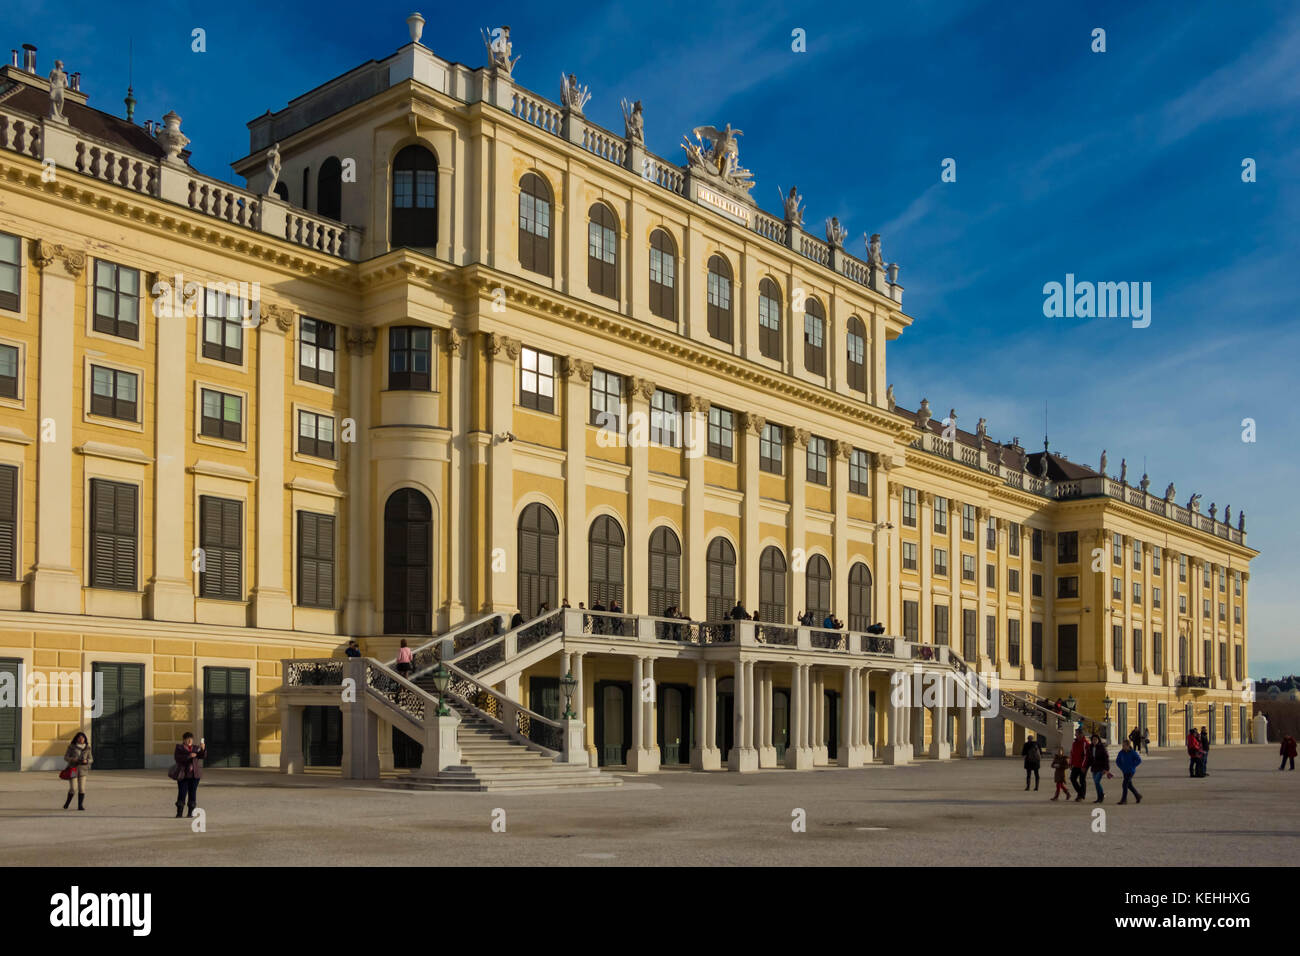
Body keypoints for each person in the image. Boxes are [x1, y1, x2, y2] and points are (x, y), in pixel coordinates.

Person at [172, 732, 207, 818]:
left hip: (194, 775)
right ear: (184, 740)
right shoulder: (179, 748)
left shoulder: (196, 748)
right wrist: (189, 756)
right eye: (187, 739)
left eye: (191, 739)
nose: (189, 740)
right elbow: (177, 758)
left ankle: (190, 812)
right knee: (182, 793)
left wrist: (203, 749)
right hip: (183, 775)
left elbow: (202, 756)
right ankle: (179, 813)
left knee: (192, 793)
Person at [61, 731, 92, 811]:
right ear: (76, 739)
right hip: (73, 769)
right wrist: (72, 759)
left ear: (85, 739)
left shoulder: (88, 748)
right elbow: (66, 757)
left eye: (83, 738)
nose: (81, 739)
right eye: (79, 738)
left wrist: (87, 761)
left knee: (82, 788)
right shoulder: (71, 747)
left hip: (83, 770)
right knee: (73, 788)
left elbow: (91, 759)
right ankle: (67, 803)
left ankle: (80, 805)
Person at [1115, 738, 1142, 804]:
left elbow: (1139, 760)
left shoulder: (1133, 752)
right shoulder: (1121, 752)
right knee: (1129, 785)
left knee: (1124, 785)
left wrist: (1133, 765)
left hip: (1130, 771)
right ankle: (1137, 796)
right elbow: (1117, 761)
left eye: (1124, 746)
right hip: (1125, 771)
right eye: (1122, 746)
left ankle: (1124, 800)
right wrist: (1122, 767)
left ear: (1128, 746)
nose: (1123, 747)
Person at [1088, 734, 1111, 803]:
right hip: (1094, 767)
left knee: (1097, 782)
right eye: (1093, 740)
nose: (1094, 741)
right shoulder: (1091, 747)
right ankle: (1100, 796)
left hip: (1101, 768)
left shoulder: (1102, 747)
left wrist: (1106, 769)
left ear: (1098, 740)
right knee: (1096, 783)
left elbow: (1106, 758)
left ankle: (1101, 796)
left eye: (1096, 739)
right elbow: (1090, 758)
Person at [1068, 728, 1088, 802]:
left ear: (1081, 734)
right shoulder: (1074, 743)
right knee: (1072, 778)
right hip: (1076, 764)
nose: (1075, 735)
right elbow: (1072, 753)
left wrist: (1083, 766)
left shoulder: (1085, 743)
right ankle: (1081, 793)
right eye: (1075, 733)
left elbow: (1086, 756)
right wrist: (1070, 763)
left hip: (1083, 765)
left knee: (1082, 780)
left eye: (1076, 733)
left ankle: (1081, 796)